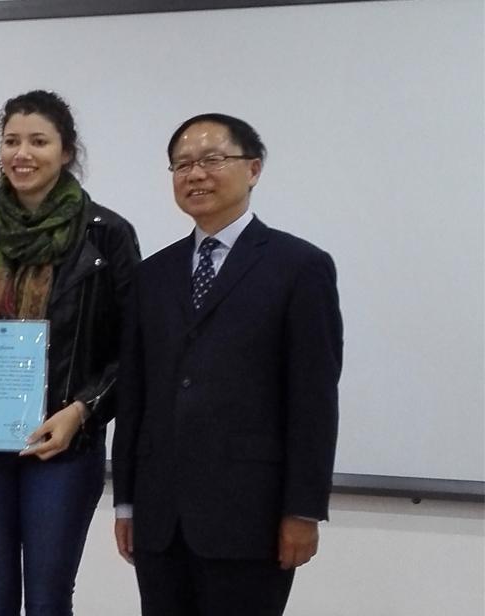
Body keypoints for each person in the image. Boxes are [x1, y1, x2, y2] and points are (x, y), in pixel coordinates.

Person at [112, 113, 343, 616]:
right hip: (161, 516)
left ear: (253, 169)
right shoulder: (152, 275)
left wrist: (304, 509)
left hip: (252, 516)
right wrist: (125, 501)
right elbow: (135, 396)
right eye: (182, 164)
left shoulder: (299, 267)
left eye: (212, 159)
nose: (195, 174)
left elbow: (314, 399)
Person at [0, 90, 140, 616]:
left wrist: (82, 411)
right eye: (11, 141)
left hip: (63, 447)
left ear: (66, 151)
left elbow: (132, 349)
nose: (22, 154)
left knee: (48, 600)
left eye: (39, 142)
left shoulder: (107, 236)